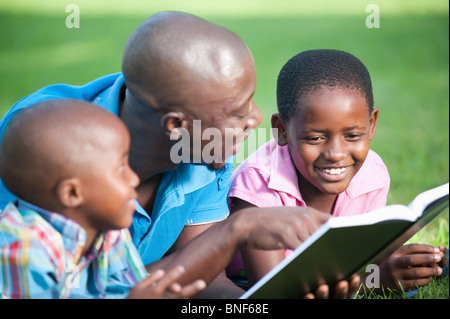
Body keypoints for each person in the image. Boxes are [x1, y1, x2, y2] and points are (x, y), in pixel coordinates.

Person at [0, 12, 357, 298]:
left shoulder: (209, 147)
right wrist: (236, 230)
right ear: (176, 125)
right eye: (237, 111)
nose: (256, 119)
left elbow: (200, 283)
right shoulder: (44, 141)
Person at [226, 49, 447, 294]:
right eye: (315, 137)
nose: (336, 154)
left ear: (371, 124)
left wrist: (411, 263)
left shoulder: (371, 173)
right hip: (245, 282)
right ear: (282, 130)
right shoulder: (258, 181)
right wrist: (375, 282)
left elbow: (364, 259)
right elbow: (273, 291)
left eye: (352, 135)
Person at [0, 99, 207, 298]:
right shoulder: (23, 249)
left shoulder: (108, 231)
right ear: (72, 193)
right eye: (120, 168)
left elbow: (124, 289)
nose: (134, 178)